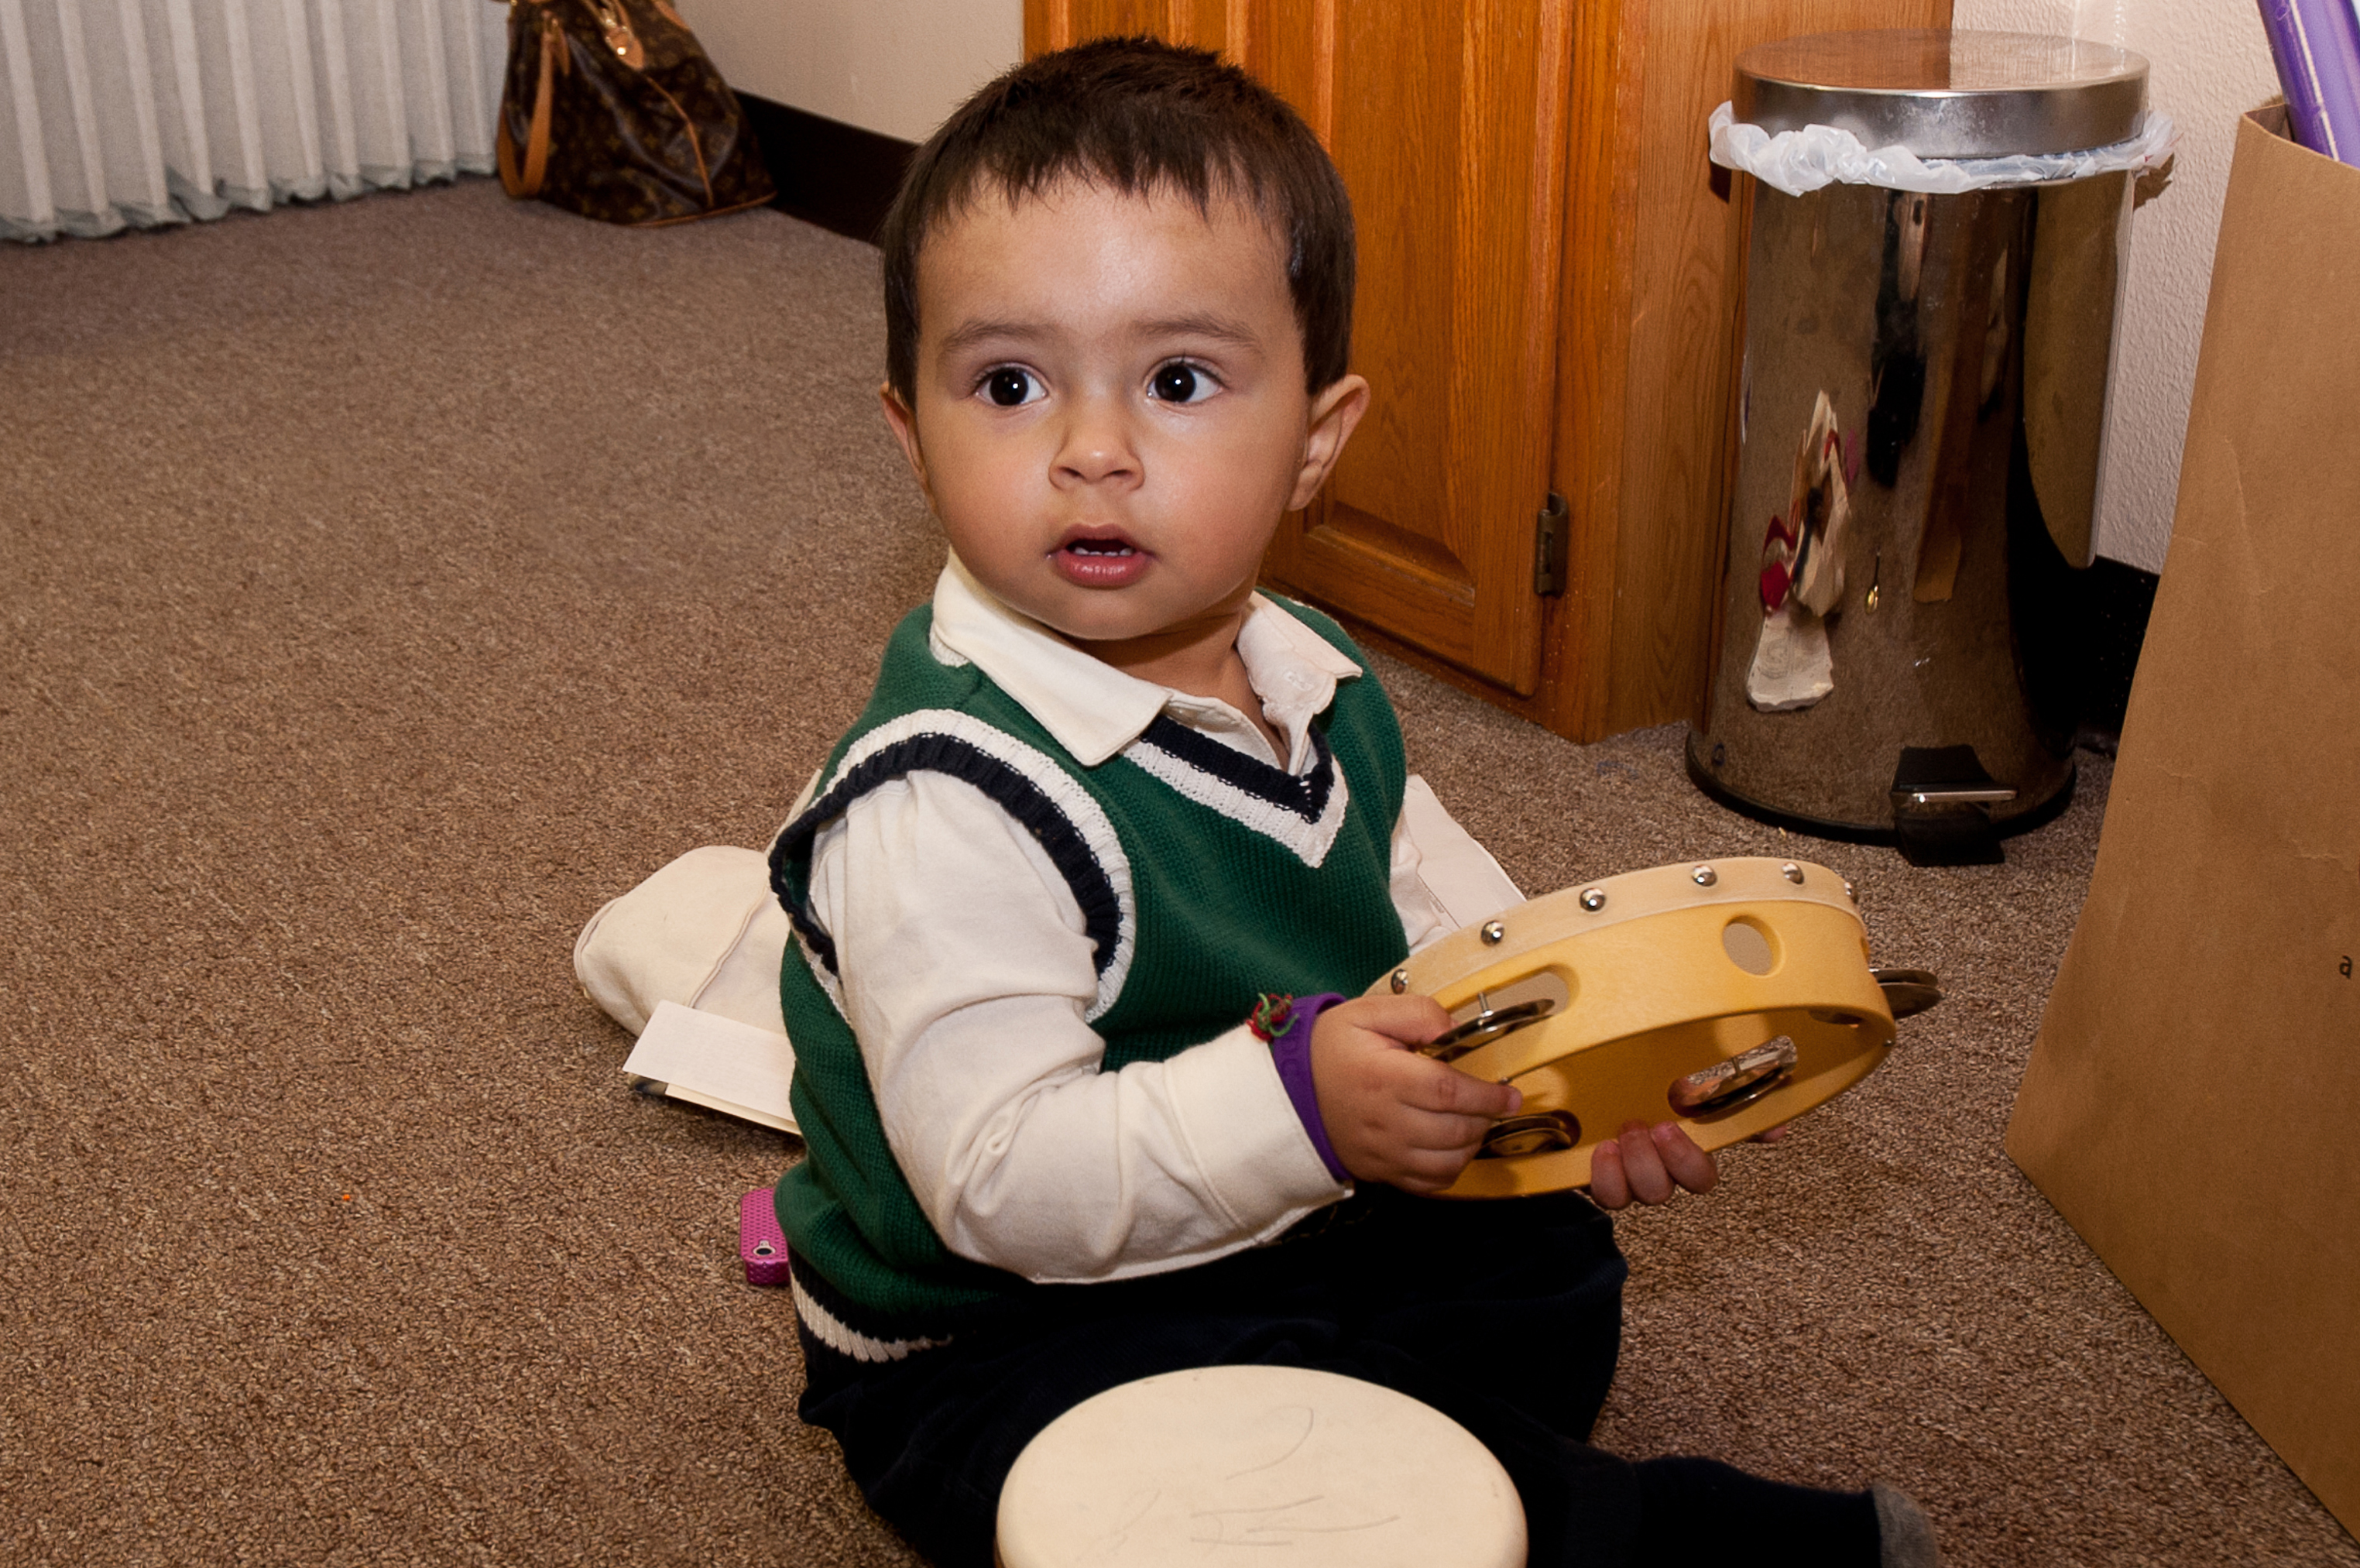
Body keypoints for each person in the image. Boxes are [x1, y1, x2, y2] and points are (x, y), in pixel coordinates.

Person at [765, 36, 1936, 1568]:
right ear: (911, 432)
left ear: (1316, 440)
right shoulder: (942, 803)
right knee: (1224, 1476)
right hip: (1003, 1327)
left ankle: (1404, 1437)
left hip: (1275, 1180)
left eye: (1178, 380)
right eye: (1009, 383)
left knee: (1546, 1253)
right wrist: (1306, 1109)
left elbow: (1442, 923)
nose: (1091, 451)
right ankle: (1621, 1533)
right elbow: (1000, 1184)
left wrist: (1560, 1088)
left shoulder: (1309, 666)